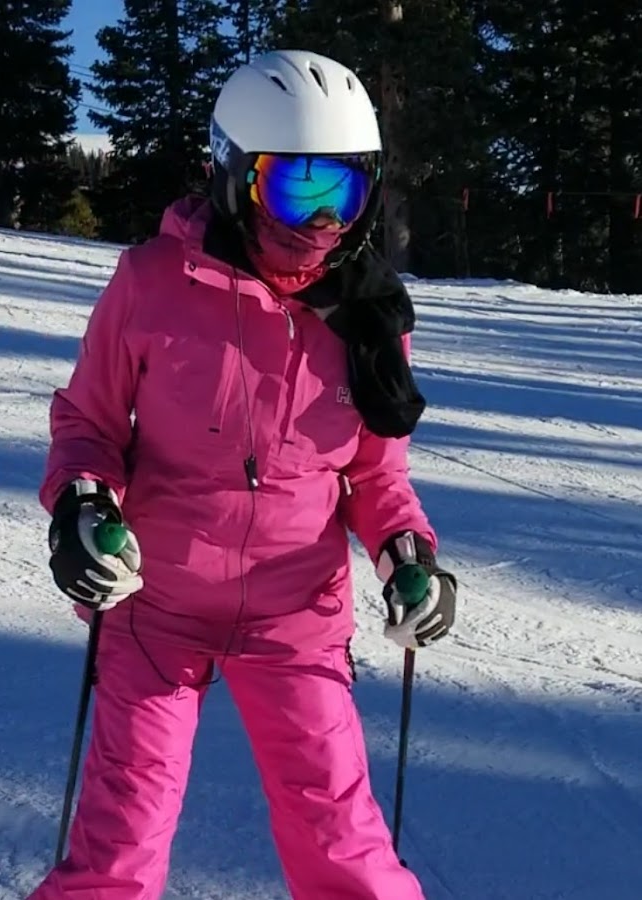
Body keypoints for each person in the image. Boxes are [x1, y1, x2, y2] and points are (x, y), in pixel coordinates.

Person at [29, 49, 457, 900]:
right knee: (120, 843)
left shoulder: (368, 316)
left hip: (296, 616)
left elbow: (377, 477)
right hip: (156, 605)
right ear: (234, 176)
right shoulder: (152, 284)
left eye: (346, 192)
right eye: (297, 190)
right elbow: (89, 423)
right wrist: (81, 507)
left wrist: (408, 556)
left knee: (341, 838)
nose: (324, 221)